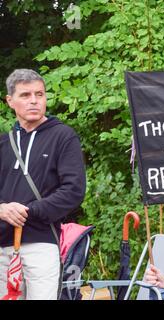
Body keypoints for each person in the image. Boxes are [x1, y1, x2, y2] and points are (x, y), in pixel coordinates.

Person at [0, 69, 86, 299]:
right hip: (2, 247)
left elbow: (74, 190)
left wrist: (29, 211)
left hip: (41, 243)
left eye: (39, 94)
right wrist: (2, 209)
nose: (34, 101)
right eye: (26, 95)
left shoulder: (63, 136)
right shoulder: (3, 143)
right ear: (10, 101)